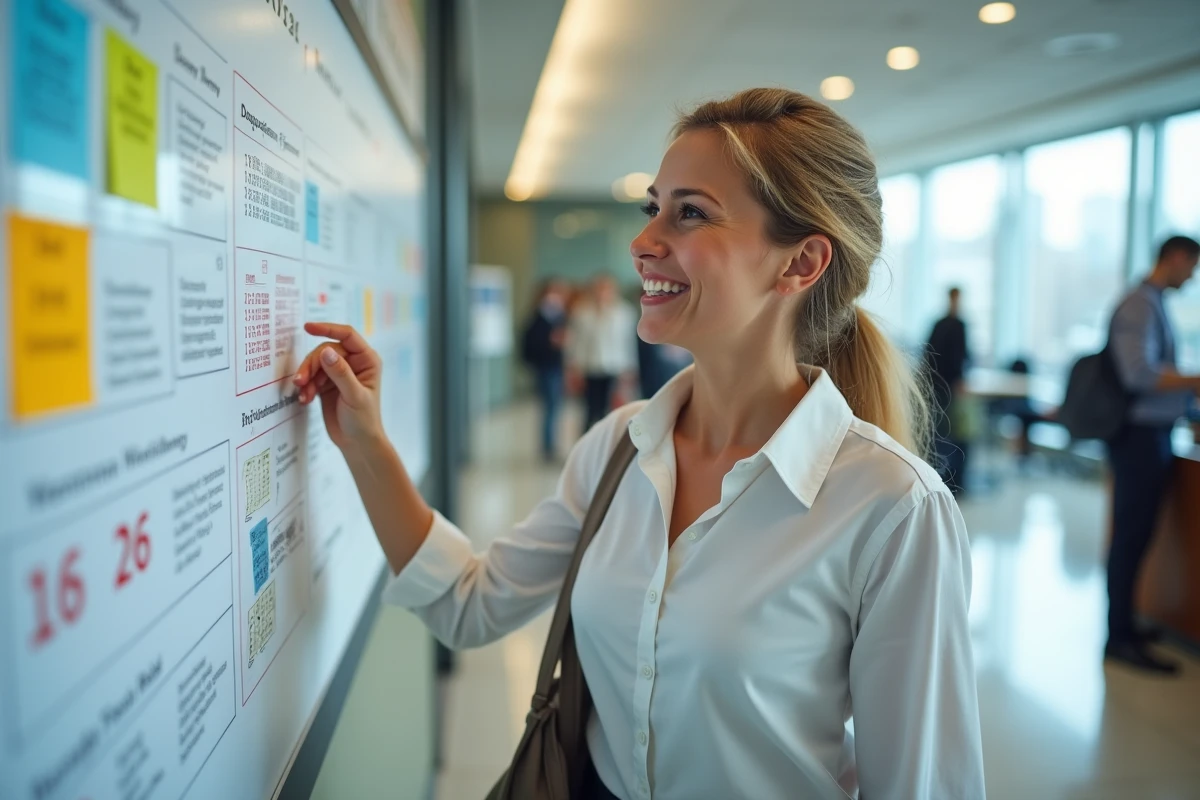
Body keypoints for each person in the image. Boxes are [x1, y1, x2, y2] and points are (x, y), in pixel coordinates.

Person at [292, 88, 984, 799]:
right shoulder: (617, 449)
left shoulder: (892, 507)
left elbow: (923, 785)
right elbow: (470, 604)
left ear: (800, 263)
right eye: (653, 207)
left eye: (690, 212)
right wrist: (365, 442)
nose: (644, 240)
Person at [1104, 235, 1200, 675]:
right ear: (1176, 258)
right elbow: (1138, 373)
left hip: (1152, 435)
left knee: (1137, 537)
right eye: (1192, 267)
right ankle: (1119, 638)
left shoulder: (1152, 301)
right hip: (1139, 438)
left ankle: (1126, 626)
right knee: (1130, 538)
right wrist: (1194, 380)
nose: (1193, 276)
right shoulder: (1140, 304)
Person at [568, 274, 639, 431]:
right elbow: (577, 343)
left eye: (607, 289)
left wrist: (630, 368)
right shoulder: (582, 312)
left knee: (612, 410)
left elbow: (628, 343)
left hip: (614, 367)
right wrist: (575, 368)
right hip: (590, 367)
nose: (603, 293)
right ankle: (587, 444)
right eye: (599, 288)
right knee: (589, 409)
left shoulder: (624, 312)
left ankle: (608, 445)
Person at [925, 287, 971, 494]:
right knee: (944, 431)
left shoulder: (955, 325)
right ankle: (944, 477)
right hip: (939, 385)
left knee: (948, 430)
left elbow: (962, 357)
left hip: (946, 385)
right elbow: (929, 354)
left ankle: (952, 478)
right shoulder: (943, 324)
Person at [521, 278, 570, 462]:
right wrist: (550, 343)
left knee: (555, 407)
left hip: (557, 368)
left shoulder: (560, 316)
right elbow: (529, 346)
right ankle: (548, 448)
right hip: (546, 368)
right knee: (550, 408)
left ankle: (551, 445)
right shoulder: (537, 318)